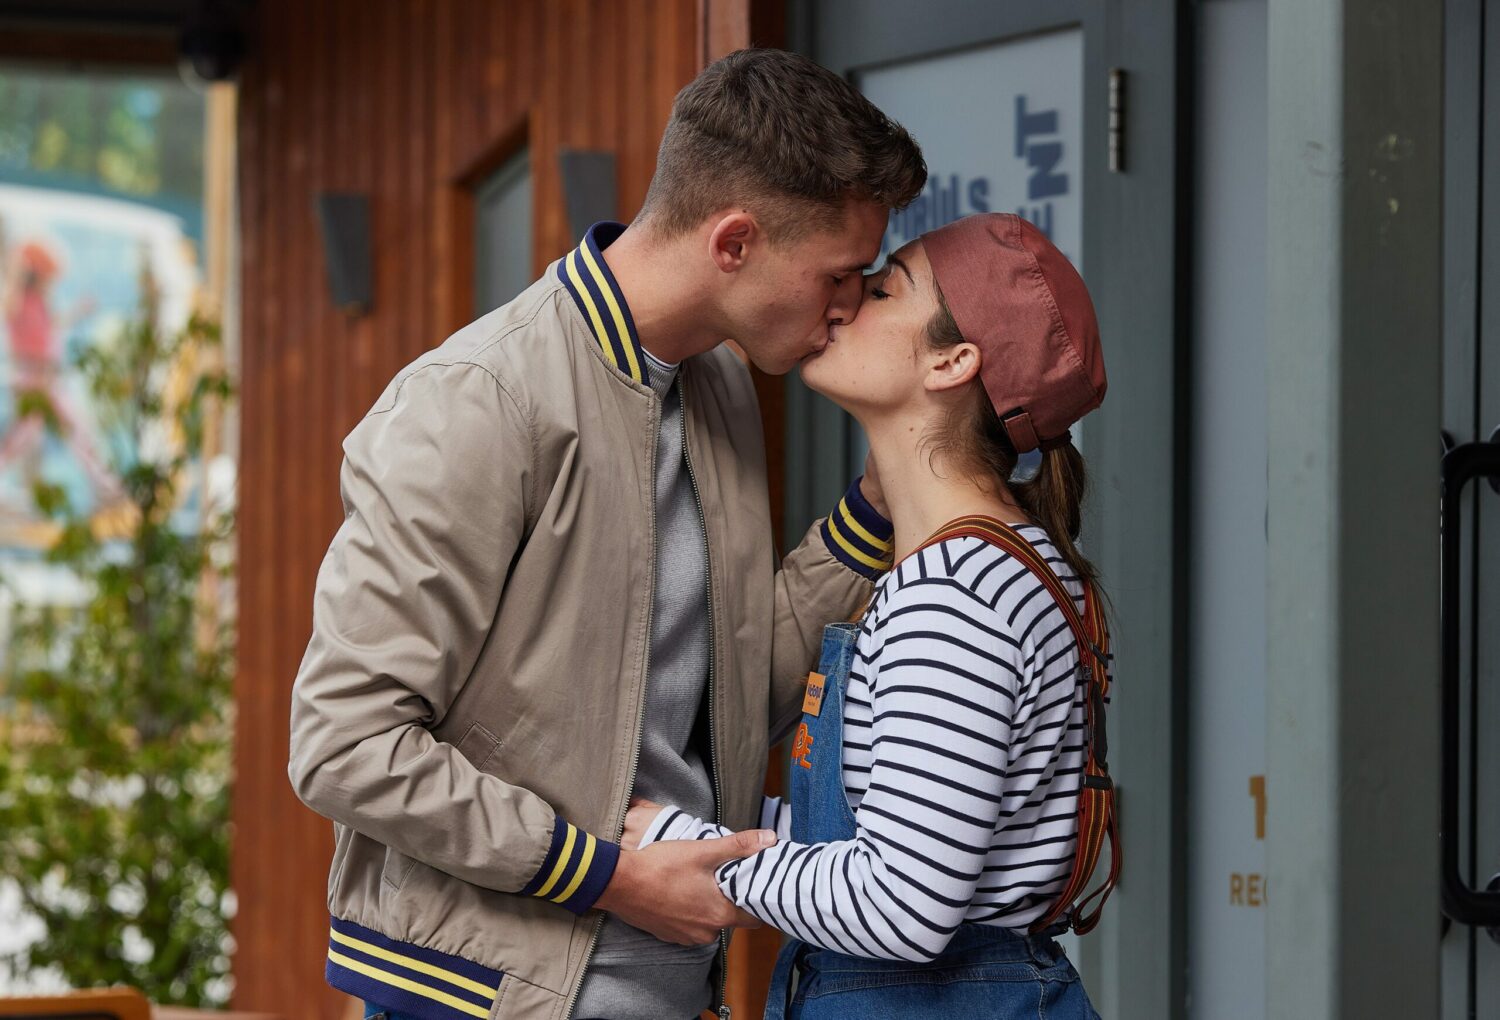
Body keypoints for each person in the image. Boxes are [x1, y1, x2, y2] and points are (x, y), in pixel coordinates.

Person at [286, 48, 925, 1020]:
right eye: (840, 273)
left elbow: (733, 687)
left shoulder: (715, 383)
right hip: (479, 998)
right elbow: (343, 744)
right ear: (735, 242)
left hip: (665, 988)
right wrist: (610, 876)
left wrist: (872, 516)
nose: (850, 304)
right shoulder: (481, 402)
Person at [629, 212, 1116, 1019]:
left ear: (953, 361)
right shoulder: (997, 564)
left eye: (885, 288)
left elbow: (902, 904)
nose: (846, 301)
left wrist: (681, 853)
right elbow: (881, 828)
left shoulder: (957, 592)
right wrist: (694, 809)